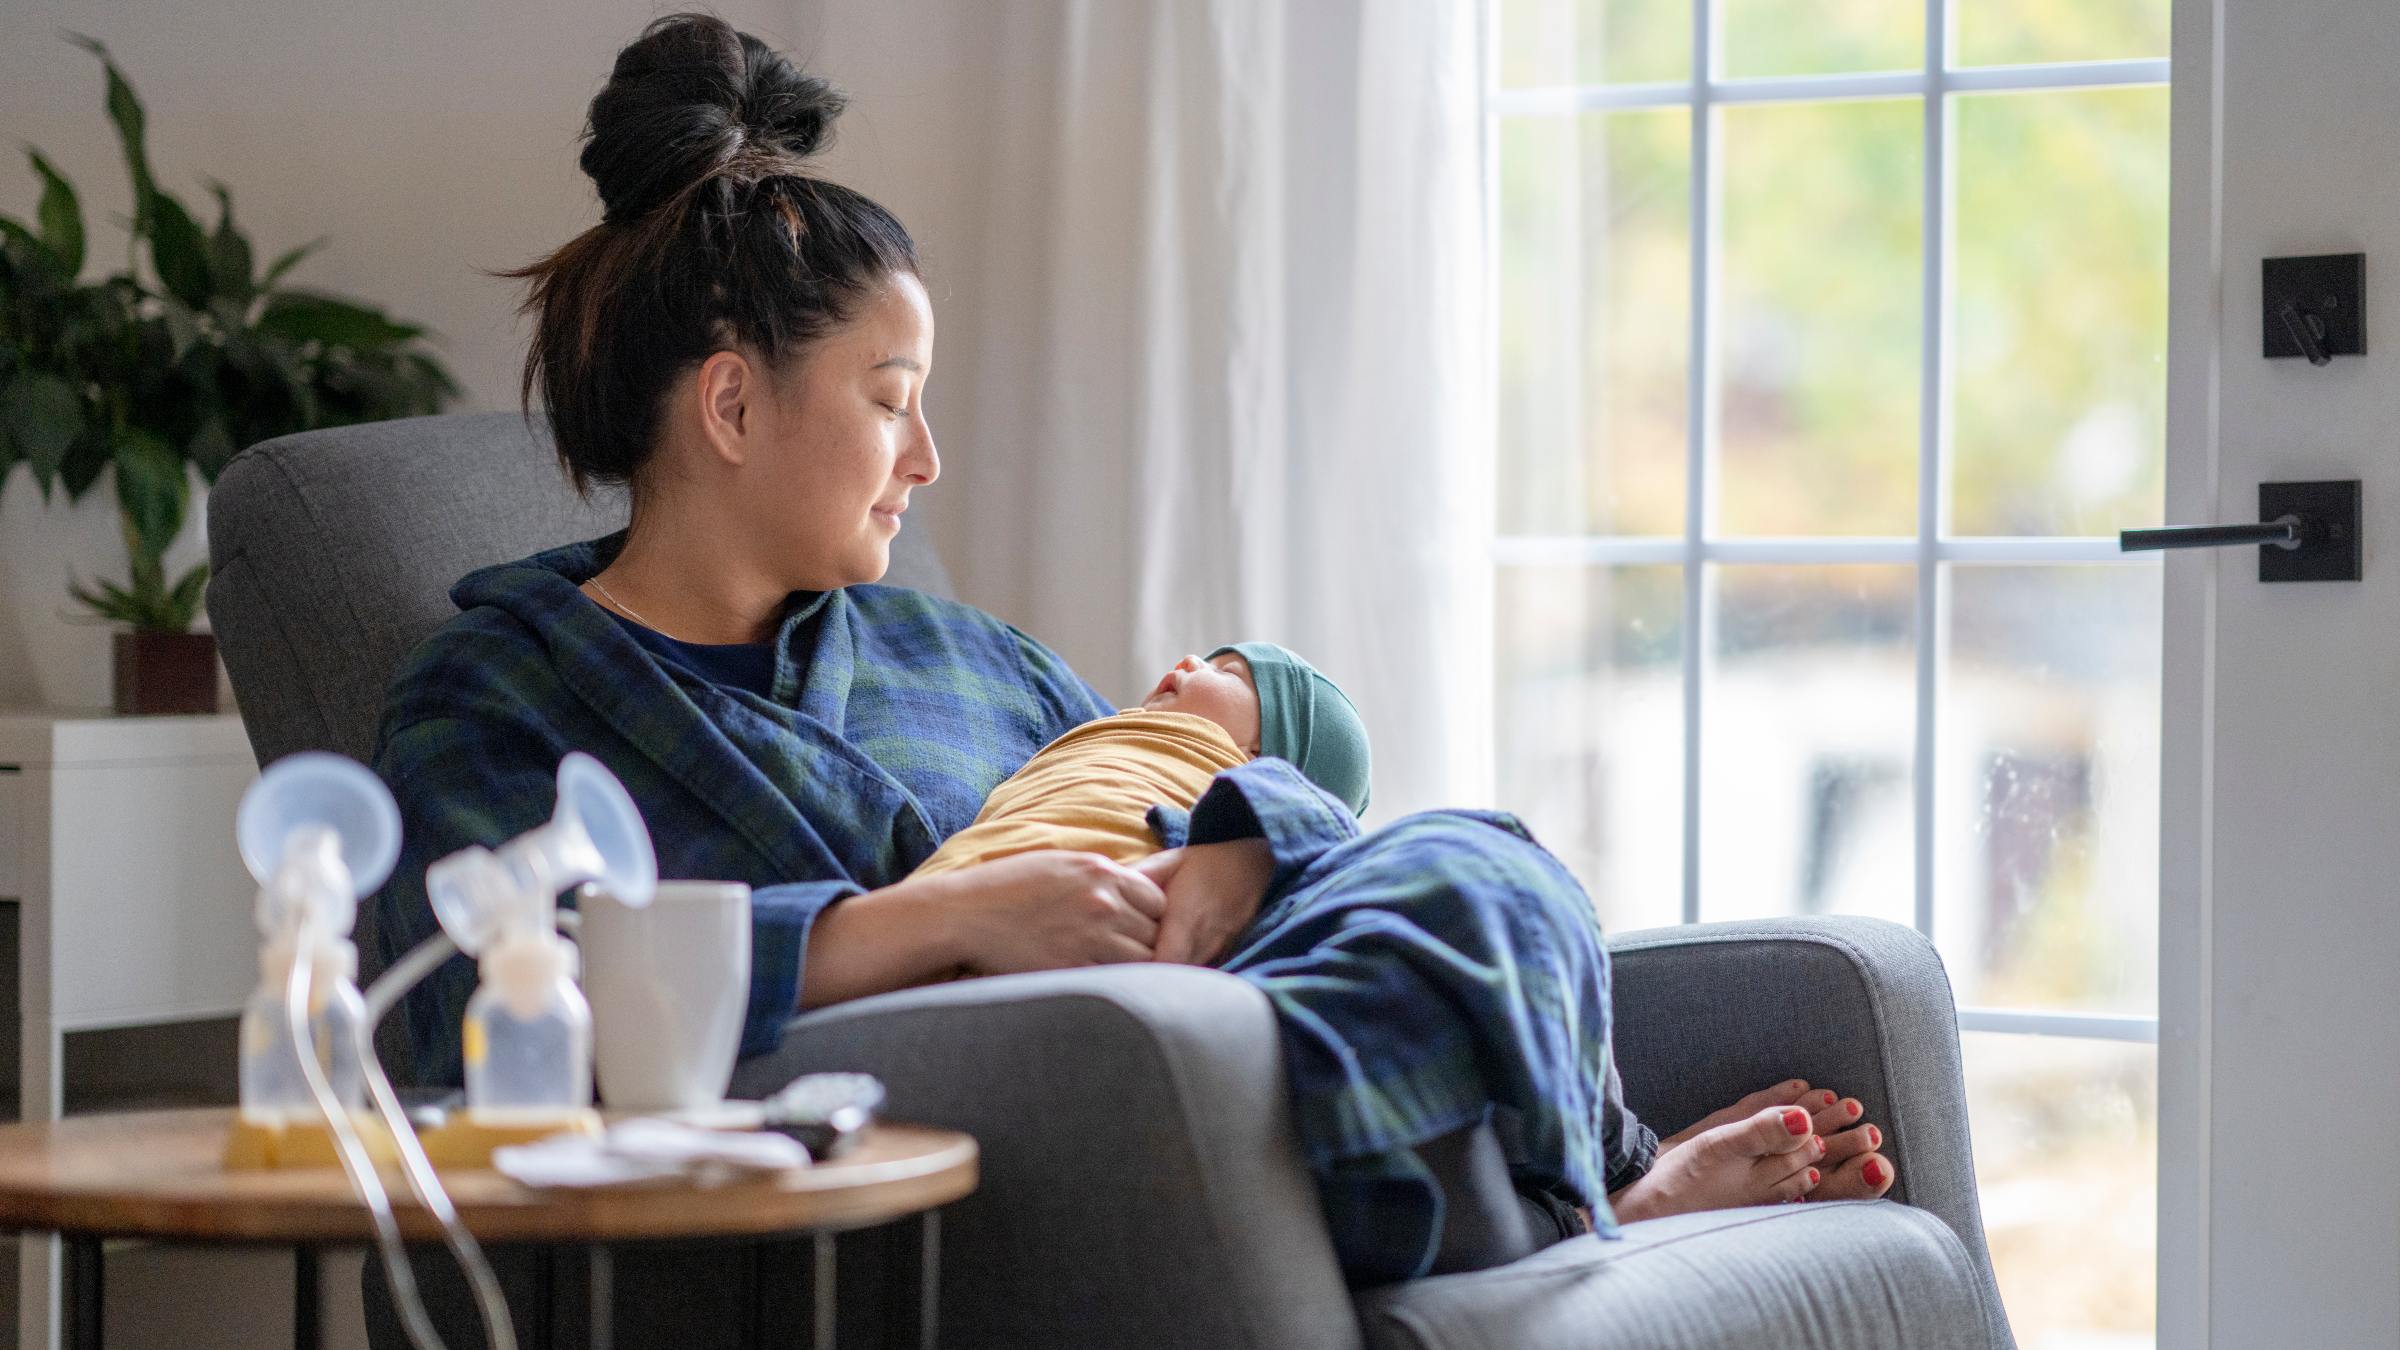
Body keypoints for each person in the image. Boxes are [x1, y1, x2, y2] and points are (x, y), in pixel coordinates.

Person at [371, 11, 1895, 1310]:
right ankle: (1586, 1224)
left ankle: (1581, 1200)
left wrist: (1243, 837)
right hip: (982, 1136)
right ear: (729, 405)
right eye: (893, 399)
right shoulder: (500, 693)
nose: (929, 458)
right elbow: (468, 1019)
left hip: (1214, 1024)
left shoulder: (975, 659)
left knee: (1468, 858)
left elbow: (1143, 801)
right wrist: (931, 921)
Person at [910, 642, 1371, 884]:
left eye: (1227, 673)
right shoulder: (1116, 732)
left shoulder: (1224, 776)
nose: (1191, 660)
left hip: (1109, 870)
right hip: (977, 870)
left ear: (1259, 757)